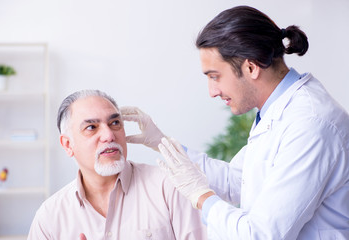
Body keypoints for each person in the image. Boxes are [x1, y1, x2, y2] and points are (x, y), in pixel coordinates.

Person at [121, 5, 349, 240]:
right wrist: (160, 142)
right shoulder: (276, 111)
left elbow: (261, 235)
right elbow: (238, 180)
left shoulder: (310, 124)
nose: (212, 91)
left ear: (250, 67)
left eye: (214, 76)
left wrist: (202, 198)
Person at [27, 90, 207, 239]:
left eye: (114, 123)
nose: (109, 135)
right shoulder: (50, 216)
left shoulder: (169, 187)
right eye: (91, 127)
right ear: (67, 144)